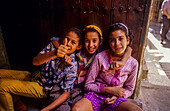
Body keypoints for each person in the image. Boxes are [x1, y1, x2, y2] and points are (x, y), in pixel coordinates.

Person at [51, 25, 132, 110]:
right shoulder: (78, 49)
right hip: (66, 83)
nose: (90, 45)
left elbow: (127, 48)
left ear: (100, 41)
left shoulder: (100, 53)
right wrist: (63, 52)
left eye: (94, 41)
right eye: (87, 41)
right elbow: (53, 39)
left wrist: (123, 61)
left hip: (80, 89)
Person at [0, 27, 82, 111]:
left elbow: (66, 93)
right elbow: (35, 61)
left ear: (78, 46)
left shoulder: (72, 65)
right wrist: (54, 53)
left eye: (73, 42)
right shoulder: (54, 47)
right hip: (35, 76)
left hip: (43, 88)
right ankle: (19, 102)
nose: (68, 43)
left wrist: (46, 109)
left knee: (2, 86)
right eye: (67, 39)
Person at [72, 23, 142, 111]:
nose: (117, 44)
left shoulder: (133, 63)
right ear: (109, 42)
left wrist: (119, 95)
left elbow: (129, 89)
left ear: (127, 40)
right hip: (95, 95)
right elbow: (88, 85)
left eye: (121, 39)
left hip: (116, 98)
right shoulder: (100, 57)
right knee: (76, 110)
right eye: (112, 40)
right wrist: (109, 90)